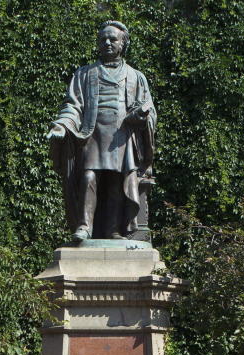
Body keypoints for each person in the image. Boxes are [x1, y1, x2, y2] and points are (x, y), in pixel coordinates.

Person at [47, 21, 156, 242]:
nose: (107, 43)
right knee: (89, 177)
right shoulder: (85, 74)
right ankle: (84, 227)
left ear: (123, 44)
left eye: (113, 39)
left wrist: (142, 117)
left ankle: (113, 230)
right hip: (92, 135)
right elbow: (73, 105)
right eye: (103, 39)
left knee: (117, 182)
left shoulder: (136, 76)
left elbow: (148, 108)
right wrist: (62, 124)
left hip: (121, 138)